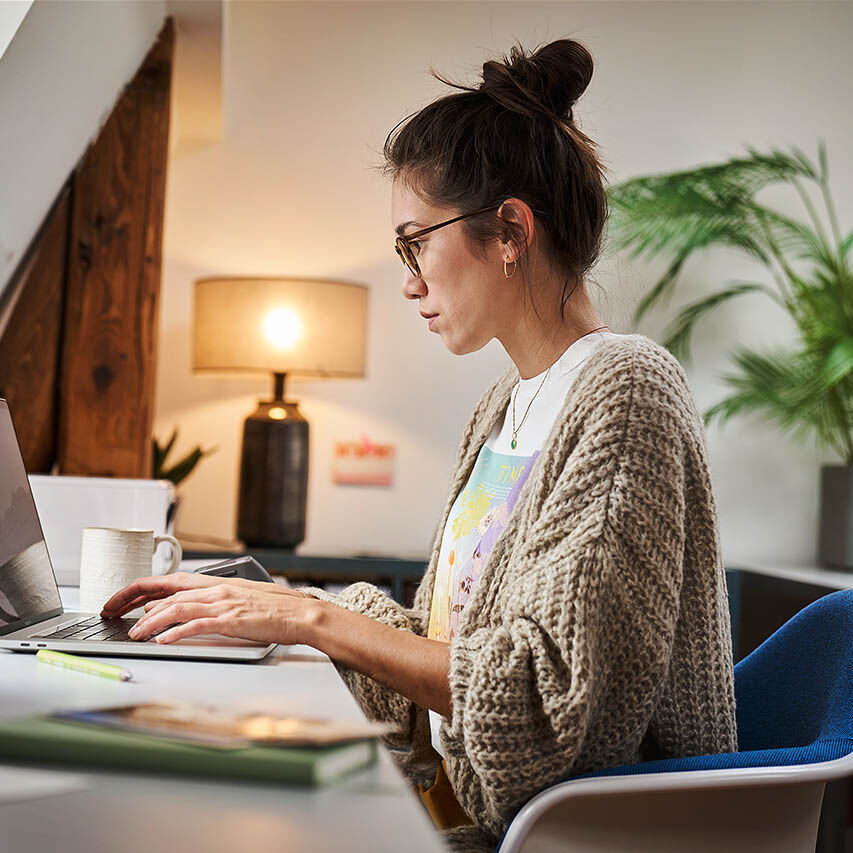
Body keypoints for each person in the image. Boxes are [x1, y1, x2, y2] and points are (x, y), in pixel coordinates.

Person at [101, 37, 738, 853]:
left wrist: (308, 619)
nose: (407, 280)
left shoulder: (626, 390)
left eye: (414, 242)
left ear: (509, 230)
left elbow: (548, 702)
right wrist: (260, 606)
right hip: (466, 815)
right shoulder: (505, 408)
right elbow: (447, 656)